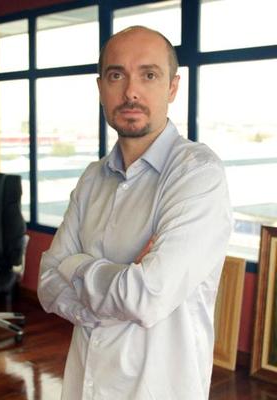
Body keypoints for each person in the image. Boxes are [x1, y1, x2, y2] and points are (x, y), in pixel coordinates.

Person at [37, 26, 232, 400]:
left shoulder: (197, 173)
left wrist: (75, 265)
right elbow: (47, 281)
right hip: (83, 386)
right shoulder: (93, 177)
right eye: (116, 75)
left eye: (149, 75)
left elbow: (146, 297)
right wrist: (119, 284)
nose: (131, 92)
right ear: (100, 88)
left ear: (172, 87)